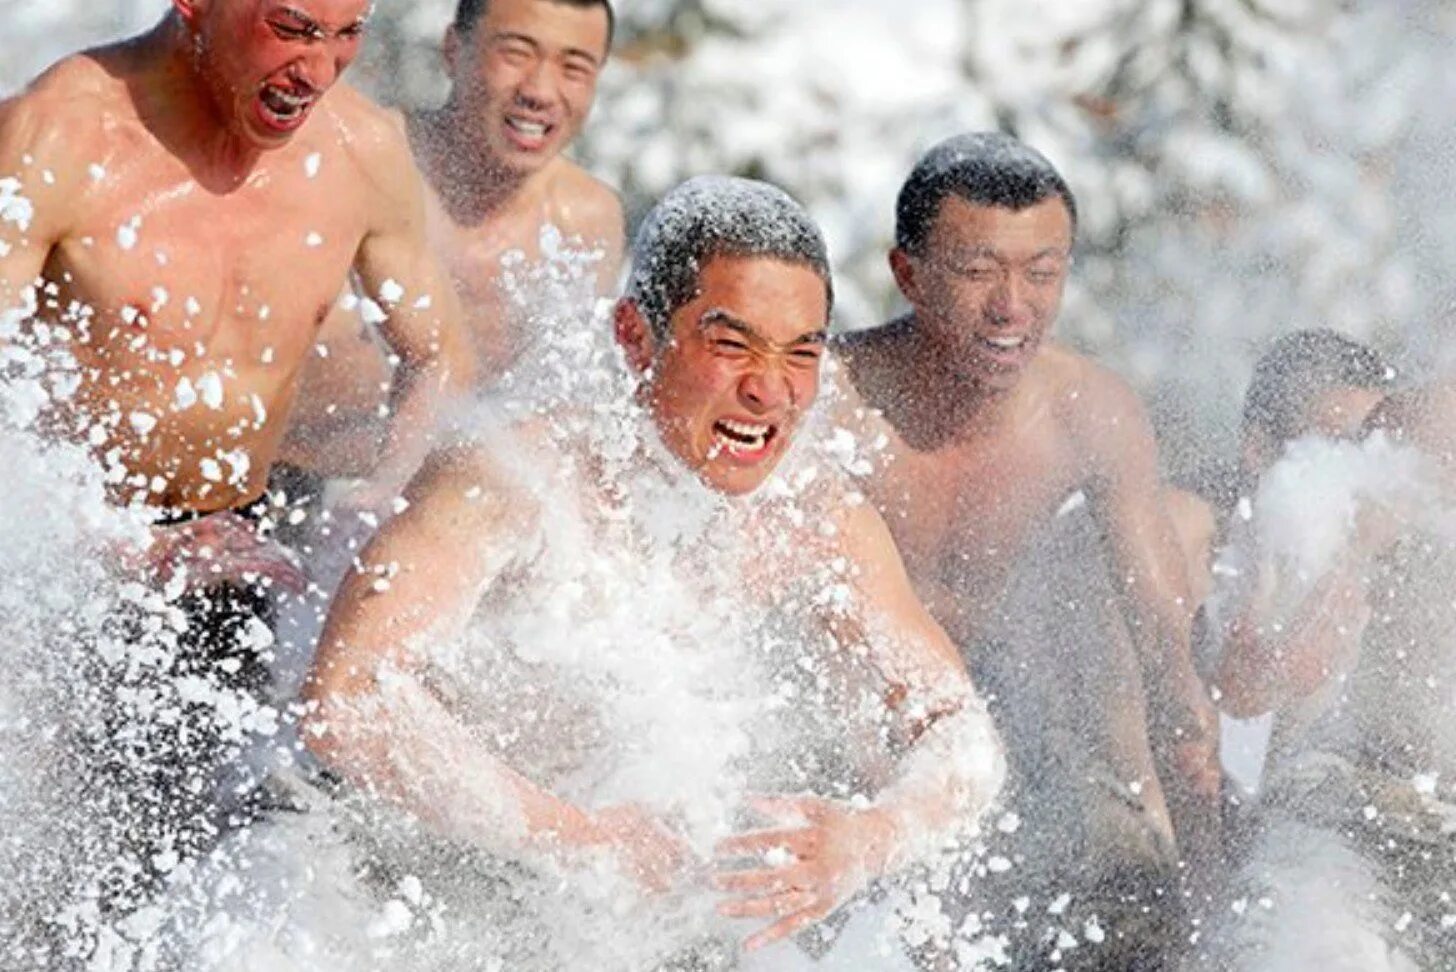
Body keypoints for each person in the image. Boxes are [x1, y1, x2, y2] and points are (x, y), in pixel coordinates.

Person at [157, 177, 1005, 971]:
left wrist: (869, 836)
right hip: (364, 866)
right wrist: (579, 837)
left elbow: (959, 736)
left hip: (574, 909)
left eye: (801, 354)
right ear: (635, 338)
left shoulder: (816, 519)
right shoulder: (512, 479)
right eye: (732, 344)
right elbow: (348, 700)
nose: (770, 392)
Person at [0, 0, 473, 944]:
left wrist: (386, 496)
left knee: (228, 882)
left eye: (349, 35)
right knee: (51, 896)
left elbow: (439, 359)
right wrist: (118, 545)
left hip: (242, 555)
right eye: (294, 27)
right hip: (59, 567)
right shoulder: (57, 134)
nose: (321, 69)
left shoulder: (359, 151)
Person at [833, 131, 1220, 968]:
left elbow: (1160, 632)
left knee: (1130, 896)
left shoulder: (1090, 410)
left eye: (1042, 272)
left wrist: (1196, 786)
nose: (1014, 306)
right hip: (840, 722)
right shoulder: (831, 401)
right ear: (908, 275)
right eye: (978, 272)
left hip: (1010, 717)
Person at [279, 0, 624, 477]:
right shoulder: (361, 162)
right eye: (516, 53)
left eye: (575, 67)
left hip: (441, 508)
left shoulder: (586, 220)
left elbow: (558, 410)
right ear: (453, 49)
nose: (540, 91)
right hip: (289, 488)